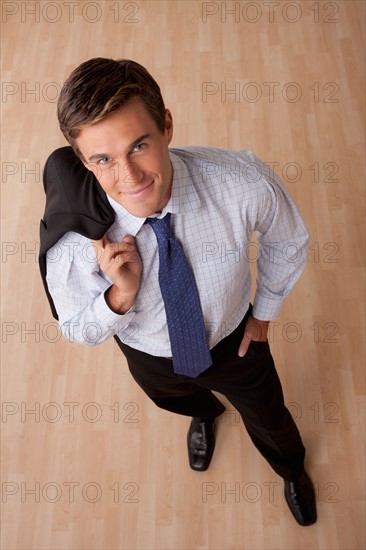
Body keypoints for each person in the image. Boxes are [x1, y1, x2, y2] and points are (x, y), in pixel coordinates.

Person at [39, 57, 317, 526]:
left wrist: (264, 312)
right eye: (103, 159)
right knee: (176, 397)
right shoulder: (74, 245)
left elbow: (288, 241)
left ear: (166, 126)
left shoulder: (241, 182)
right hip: (147, 350)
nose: (129, 176)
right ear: (84, 162)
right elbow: (76, 327)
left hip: (237, 340)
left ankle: (291, 470)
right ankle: (204, 413)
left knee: (271, 417)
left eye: (139, 145)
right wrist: (119, 298)